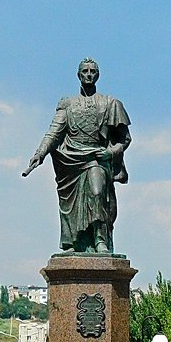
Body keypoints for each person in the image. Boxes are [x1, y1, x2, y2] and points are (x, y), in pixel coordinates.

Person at [23, 58, 131, 254]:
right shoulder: (68, 104)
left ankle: (100, 240)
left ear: (97, 75)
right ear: (79, 75)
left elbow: (124, 139)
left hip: (96, 158)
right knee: (69, 204)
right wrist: (40, 153)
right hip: (70, 161)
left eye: (92, 71)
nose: (89, 74)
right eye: (85, 71)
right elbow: (54, 132)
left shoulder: (110, 103)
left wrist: (110, 152)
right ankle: (73, 241)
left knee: (97, 192)